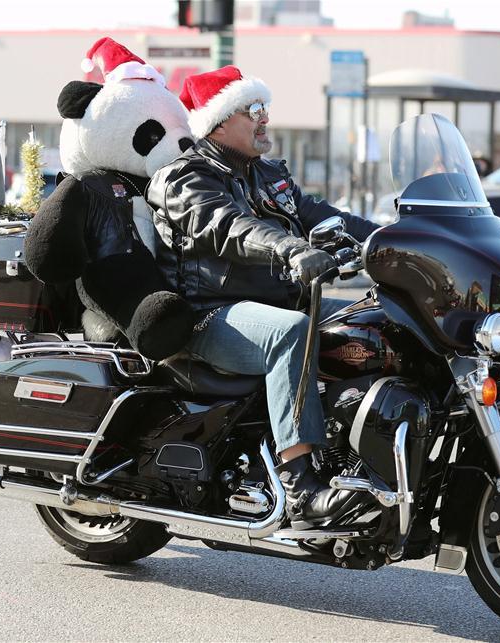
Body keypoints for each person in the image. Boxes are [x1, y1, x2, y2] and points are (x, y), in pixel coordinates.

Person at [146, 66, 380, 526]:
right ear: (218, 121)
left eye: (264, 108)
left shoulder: (268, 176)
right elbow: (228, 227)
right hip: (208, 316)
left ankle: (359, 452)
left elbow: (328, 217)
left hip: (276, 303)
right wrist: (289, 247)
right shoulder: (183, 179)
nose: (264, 118)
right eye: (253, 110)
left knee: (377, 320)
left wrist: (402, 239)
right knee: (292, 333)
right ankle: (301, 489)